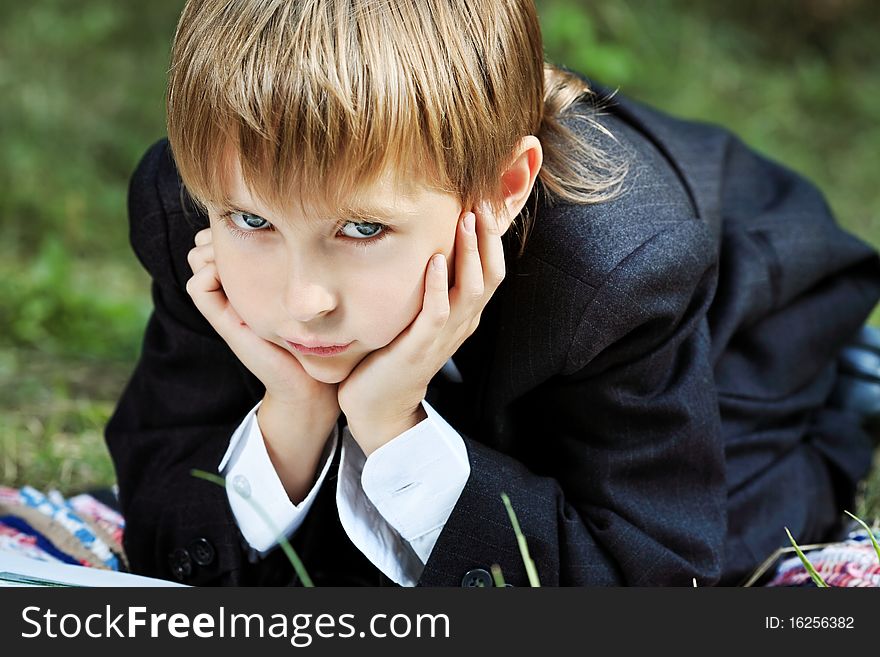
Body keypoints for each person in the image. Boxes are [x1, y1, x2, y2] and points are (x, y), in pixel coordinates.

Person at [105, 0, 880, 587]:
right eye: (251, 220)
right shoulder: (187, 209)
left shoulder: (622, 272)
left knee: (733, 535)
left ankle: (852, 388)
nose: (303, 300)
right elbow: (169, 514)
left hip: (750, 309)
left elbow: (656, 574)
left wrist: (389, 425)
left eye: (364, 229)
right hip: (504, 326)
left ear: (503, 188)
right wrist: (292, 410)